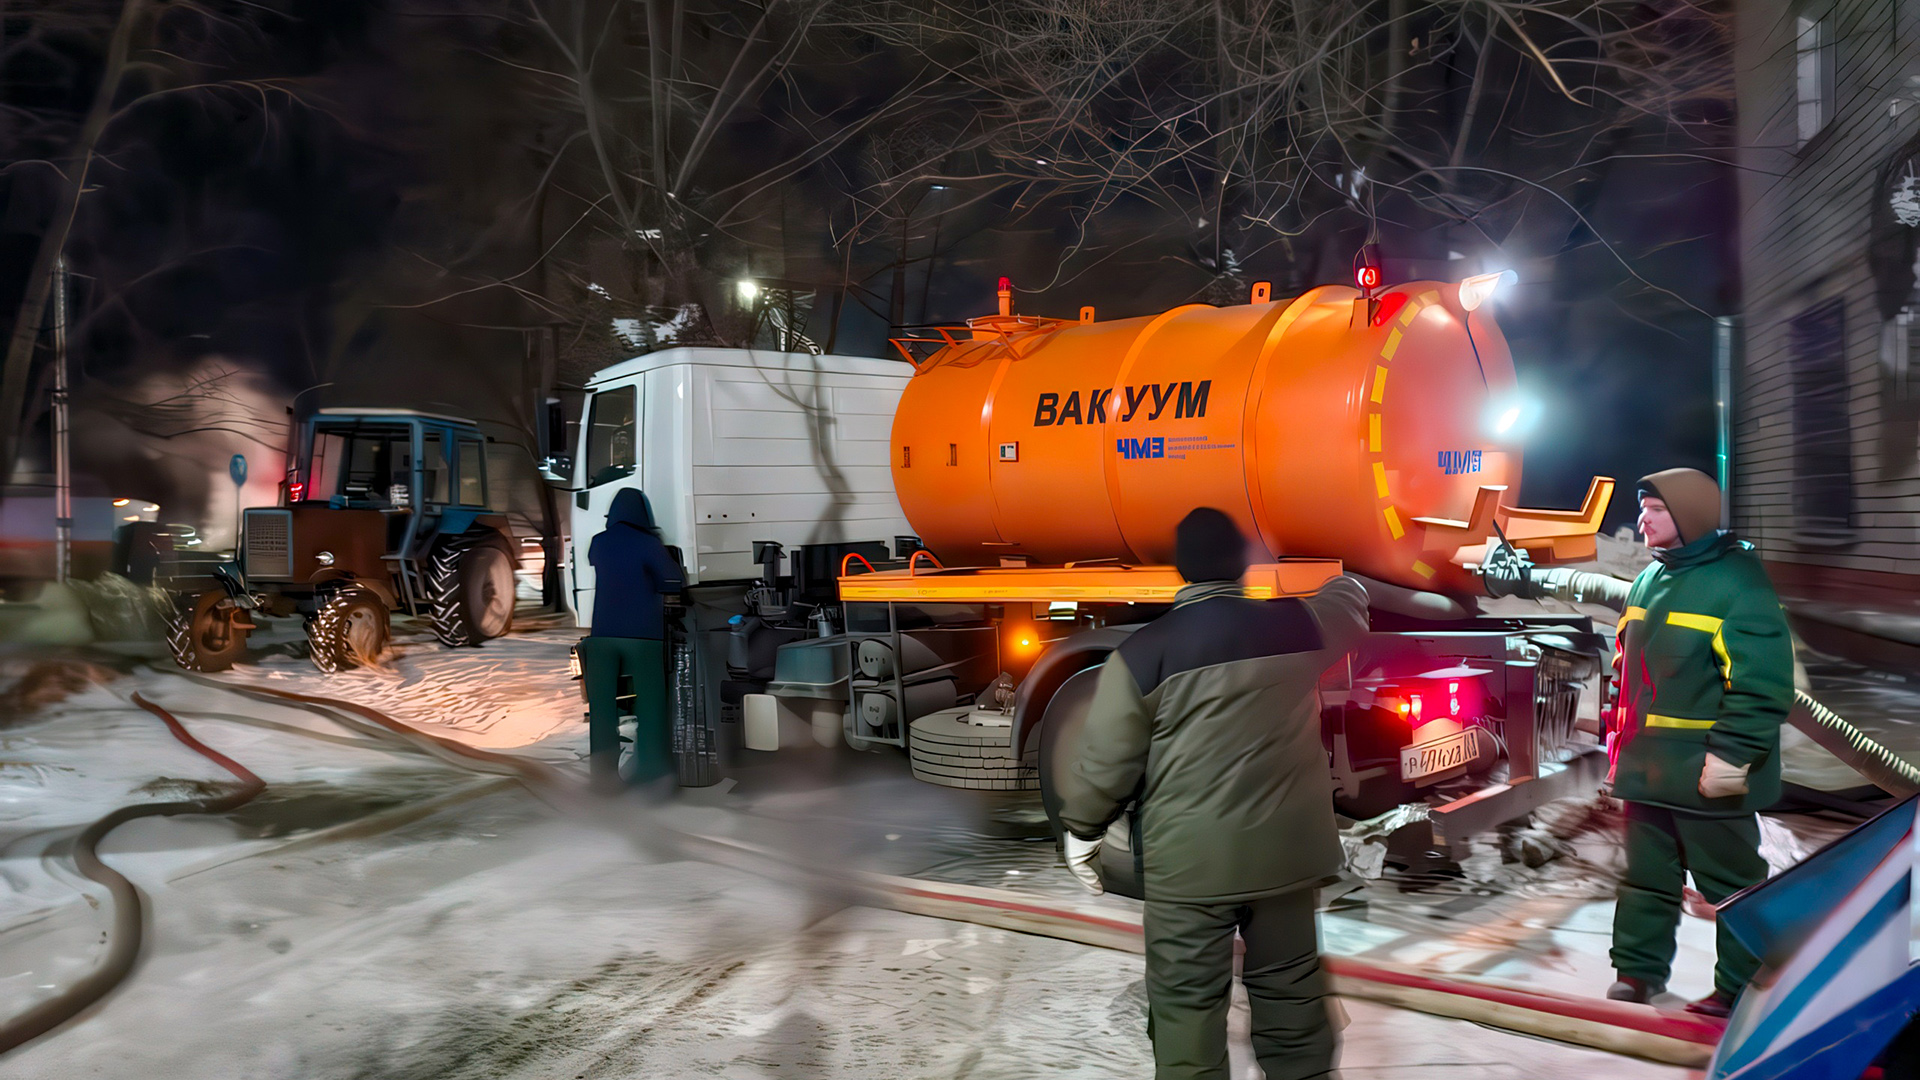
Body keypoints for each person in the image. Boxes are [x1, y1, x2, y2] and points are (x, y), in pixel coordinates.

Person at [1054, 507, 1369, 1080]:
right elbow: (1350, 607)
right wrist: (1346, 579)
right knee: (1294, 998)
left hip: (1189, 873)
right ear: (1243, 566)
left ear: (1182, 570)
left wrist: (1082, 834)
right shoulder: (1298, 625)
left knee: (1187, 1011)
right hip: (1287, 861)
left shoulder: (1143, 654)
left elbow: (1106, 761)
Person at [1481, 468, 1792, 1018]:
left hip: (1706, 776)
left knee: (1733, 889)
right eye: (1643, 507)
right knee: (1646, 879)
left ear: (1690, 518)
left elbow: (1761, 686)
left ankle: (1743, 989)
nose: (1642, 518)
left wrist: (1731, 759)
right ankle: (1637, 972)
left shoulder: (1737, 583)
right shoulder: (1652, 578)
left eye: (1656, 509)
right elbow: (1628, 672)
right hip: (1649, 770)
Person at [580, 489, 684, 792]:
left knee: (602, 710)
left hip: (601, 638)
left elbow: (596, 563)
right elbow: (672, 580)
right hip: (643, 637)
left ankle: (602, 776)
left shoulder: (599, 542)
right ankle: (652, 769)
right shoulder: (649, 544)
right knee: (650, 704)